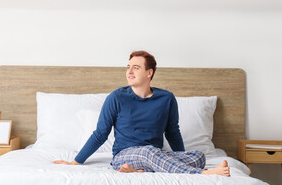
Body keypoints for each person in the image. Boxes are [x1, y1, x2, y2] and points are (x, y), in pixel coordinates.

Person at [53, 50, 230, 176]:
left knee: (198, 156)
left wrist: (179, 156)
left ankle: (141, 171)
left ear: (149, 73)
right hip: (125, 156)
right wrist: (76, 162)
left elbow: (172, 132)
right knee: (148, 153)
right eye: (128, 67)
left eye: (136, 68)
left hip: (154, 154)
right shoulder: (116, 97)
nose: (129, 72)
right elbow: (100, 134)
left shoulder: (166, 98)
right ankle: (203, 174)